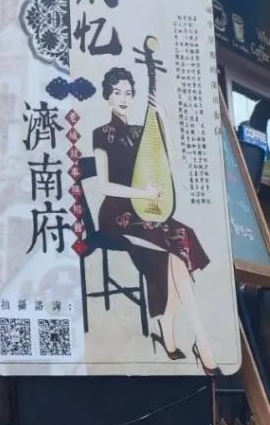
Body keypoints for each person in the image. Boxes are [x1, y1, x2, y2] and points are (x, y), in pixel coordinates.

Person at [92, 67, 219, 375]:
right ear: (108, 96)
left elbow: (169, 163)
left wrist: (164, 121)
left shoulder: (140, 132)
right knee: (173, 252)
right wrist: (142, 192)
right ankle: (198, 341)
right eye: (117, 92)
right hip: (117, 215)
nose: (123, 98)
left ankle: (174, 331)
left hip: (146, 211)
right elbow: (104, 186)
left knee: (180, 239)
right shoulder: (101, 134)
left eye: (128, 92)